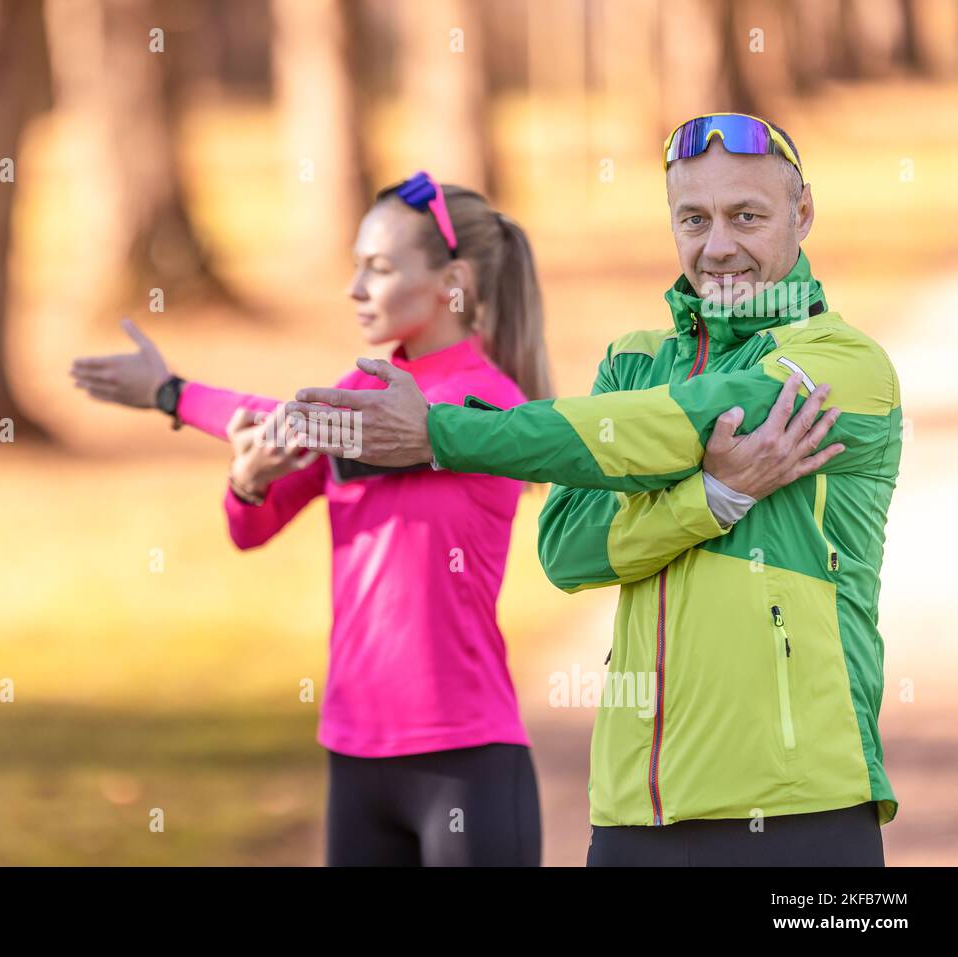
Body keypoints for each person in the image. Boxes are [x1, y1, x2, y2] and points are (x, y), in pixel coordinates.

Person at [284, 114, 901, 866]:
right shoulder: (633, 361)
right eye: (693, 219)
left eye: (747, 215)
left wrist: (441, 432)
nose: (718, 247)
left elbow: (667, 425)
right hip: (632, 815)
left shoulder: (844, 364)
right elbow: (568, 549)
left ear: (801, 212)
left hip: (805, 805)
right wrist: (709, 499)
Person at [71, 172, 552, 865]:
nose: (354, 289)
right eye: (355, 266)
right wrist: (248, 477)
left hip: (465, 756)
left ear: (454, 281)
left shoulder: (490, 403)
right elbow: (251, 527)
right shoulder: (359, 392)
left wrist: (172, 393)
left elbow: (314, 427)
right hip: (354, 752)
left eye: (379, 269)